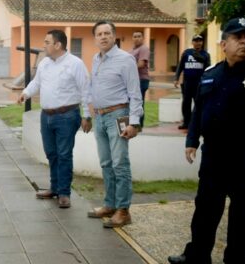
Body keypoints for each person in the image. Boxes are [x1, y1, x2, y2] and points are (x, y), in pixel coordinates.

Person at [168, 18, 245, 264]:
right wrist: (191, 140)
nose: (244, 41)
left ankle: (236, 260)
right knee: (205, 212)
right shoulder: (211, 74)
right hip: (213, 157)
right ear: (224, 44)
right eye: (237, 37)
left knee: (242, 216)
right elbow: (198, 110)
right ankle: (197, 256)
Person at [18, 29, 90, 209]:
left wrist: (87, 116)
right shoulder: (44, 63)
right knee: (51, 153)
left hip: (67, 116)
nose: (44, 45)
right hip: (46, 116)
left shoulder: (76, 64)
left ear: (58, 45)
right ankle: (54, 188)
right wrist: (25, 93)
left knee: (64, 154)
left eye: (46, 42)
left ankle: (64, 193)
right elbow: (37, 83)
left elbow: (85, 90)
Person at [84, 20, 143, 228]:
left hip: (119, 115)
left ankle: (123, 210)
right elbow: (91, 88)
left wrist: (134, 122)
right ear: (95, 38)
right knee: (106, 163)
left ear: (114, 35)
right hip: (100, 117)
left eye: (107, 33)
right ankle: (109, 204)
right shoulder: (95, 59)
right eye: (99, 34)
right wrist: (89, 113)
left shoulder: (125, 60)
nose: (103, 37)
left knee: (120, 163)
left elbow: (135, 94)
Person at [174, 34, 211, 130]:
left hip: (199, 83)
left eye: (200, 41)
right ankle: (186, 122)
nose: (198, 43)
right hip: (187, 82)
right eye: (196, 41)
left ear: (202, 42)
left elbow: (208, 68)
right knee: (186, 102)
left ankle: (198, 123)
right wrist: (176, 78)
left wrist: (200, 58)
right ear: (192, 42)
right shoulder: (186, 53)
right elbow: (180, 66)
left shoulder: (205, 54)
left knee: (199, 103)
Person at [129, 31, 150, 126]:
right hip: (133, 80)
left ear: (143, 38)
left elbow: (141, 64)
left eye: (139, 36)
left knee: (138, 103)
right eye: (135, 36)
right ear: (132, 38)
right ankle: (133, 123)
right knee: (132, 102)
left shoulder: (144, 49)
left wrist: (127, 69)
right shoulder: (131, 50)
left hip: (141, 79)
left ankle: (139, 125)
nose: (137, 38)